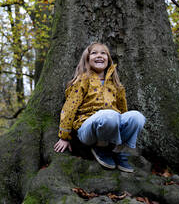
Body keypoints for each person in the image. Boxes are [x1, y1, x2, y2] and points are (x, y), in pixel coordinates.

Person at [53, 42, 146, 173]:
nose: (99, 56)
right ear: (87, 58)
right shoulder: (83, 80)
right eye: (94, 53)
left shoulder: (115, 83)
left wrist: (125, 126)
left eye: (103, 53)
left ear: (108, 59)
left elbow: (123, 109)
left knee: (137, 117)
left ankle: (118, 151)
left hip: (112, 125)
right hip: (87, 130)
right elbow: (69, 108)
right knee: (109, 115)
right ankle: (100, 148)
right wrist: (64, 136)